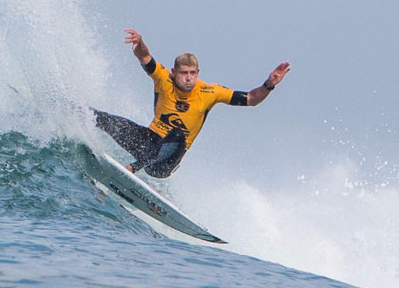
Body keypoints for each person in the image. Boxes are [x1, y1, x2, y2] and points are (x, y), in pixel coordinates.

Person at [92, 28, 290, 177]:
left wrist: (269, 84)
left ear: (198, 73)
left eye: (192, 73)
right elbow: (144, 56)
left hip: (166, 160)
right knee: (101, 118)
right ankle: (68, 111)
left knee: (177, 135)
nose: (189, 78)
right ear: (174, 72)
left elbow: (251, 99)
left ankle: (132, 168)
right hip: (147, 142)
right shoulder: (163, 79)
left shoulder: (209, 92)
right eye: (184, 73)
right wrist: (140, 42)